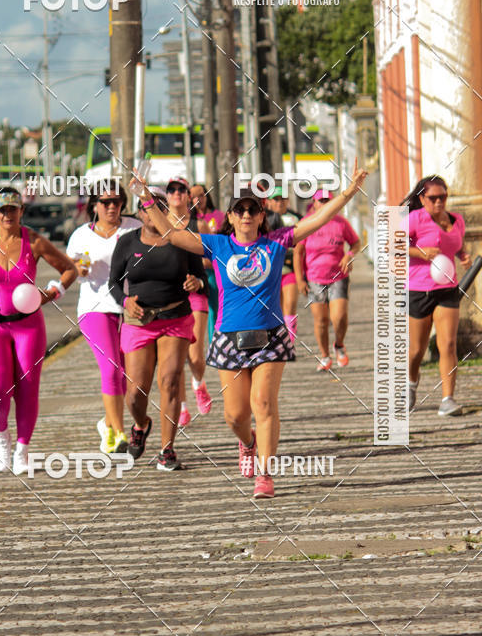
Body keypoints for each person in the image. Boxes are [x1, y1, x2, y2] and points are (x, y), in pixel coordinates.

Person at [139, 161, 368, 499]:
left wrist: (348, 192)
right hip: (229, 339)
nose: (246, 214)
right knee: (235, 415)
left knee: (263, 402)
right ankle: (247, 443)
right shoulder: (218, 245)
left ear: (261, 216)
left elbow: (318, 219)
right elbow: (172, 233)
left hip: (271, 337)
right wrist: (145, 197)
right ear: (230, 217)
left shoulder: (276, 242)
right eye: (239, 210)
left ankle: (265, 474)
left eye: (252, 209)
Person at [0, 188, 77, 475]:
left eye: (13, 209)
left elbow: (69, 270)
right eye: (2, 210)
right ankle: (1, 438)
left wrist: (51, 293)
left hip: (28, 326)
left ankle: (22, 448)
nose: (7, 214)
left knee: (27, 387)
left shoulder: (33, 241)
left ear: (21, 210)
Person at [109, 187, 204, 471]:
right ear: (140, 213)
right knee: (135, 393)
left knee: (171, 381)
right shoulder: (127, 242)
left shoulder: (181, 241)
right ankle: (142, 423)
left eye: (159, 206)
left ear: (165, 211)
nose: (152, 211)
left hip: (175, 317)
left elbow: (201, 277)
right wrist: (125, 302)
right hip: (140, 321)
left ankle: (167, 449)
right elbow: (113, 283)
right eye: (146, 207)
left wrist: (196, 283)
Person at [66, 180, 138, 453]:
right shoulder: (81, 235)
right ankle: (119, 435)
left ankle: (108, 422)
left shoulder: (134, 228)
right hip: (95, 307)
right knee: (111, 369)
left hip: (130, 307)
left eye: (117, 201)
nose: (112, 207)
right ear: (94, 205)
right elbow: (72, 268)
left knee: (129, 376)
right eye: (105, 202)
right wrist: (78, 269)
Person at [402, 175, 471, 416]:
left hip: (447, 288)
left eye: (443, 196)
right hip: (418, 289)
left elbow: (457, 244)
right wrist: (419, 252)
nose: (439, 202)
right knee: (416, 351)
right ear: (422, 198)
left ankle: (448, 399)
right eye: (433, 198)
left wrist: (463, 256)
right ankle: (411, 383)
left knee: (448, 344)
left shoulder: (456, 220)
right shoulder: (414, 219)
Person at [294, 188, 360, 371]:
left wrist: (349, 255)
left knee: (339, 316)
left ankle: (339, 344)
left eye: (327, 201)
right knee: (321, 321)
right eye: (320, 201)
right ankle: (324, 356)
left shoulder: (340, 222)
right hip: (314, 278)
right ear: (314, 204)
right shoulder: (306, 223)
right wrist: (300, 279)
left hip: (338, 275)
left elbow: (356, 243)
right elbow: (298, 252)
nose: (324, 204)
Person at [165, 176, 212, 426]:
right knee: (176, 358)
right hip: (171, 296)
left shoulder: (199, 225)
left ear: (188, 196)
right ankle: (182, 405)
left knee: (194, 355)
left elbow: (213, 258)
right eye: (171, 190)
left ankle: (199, 383)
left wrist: (194, 269)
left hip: (195, 292)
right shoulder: (161, 224)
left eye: (180, 189)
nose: (176, 193)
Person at [189, 184, 226, 342]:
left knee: (214, 308)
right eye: (195, 196)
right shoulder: (190, 220)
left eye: (202, 195)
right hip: (193, 270)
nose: (199, 199)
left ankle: (214, 342)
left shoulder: (219, 216)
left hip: (212, 269)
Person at [266, 187, 300, 345]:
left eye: (282, 199)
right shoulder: (263, 219)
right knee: (275, 309)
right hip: (270, 271)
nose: (279, 202)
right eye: (276, 199)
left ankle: (289, 342)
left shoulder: (296, 218)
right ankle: (277, 341)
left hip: (289, 268)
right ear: (269, 202)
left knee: (290, 305)